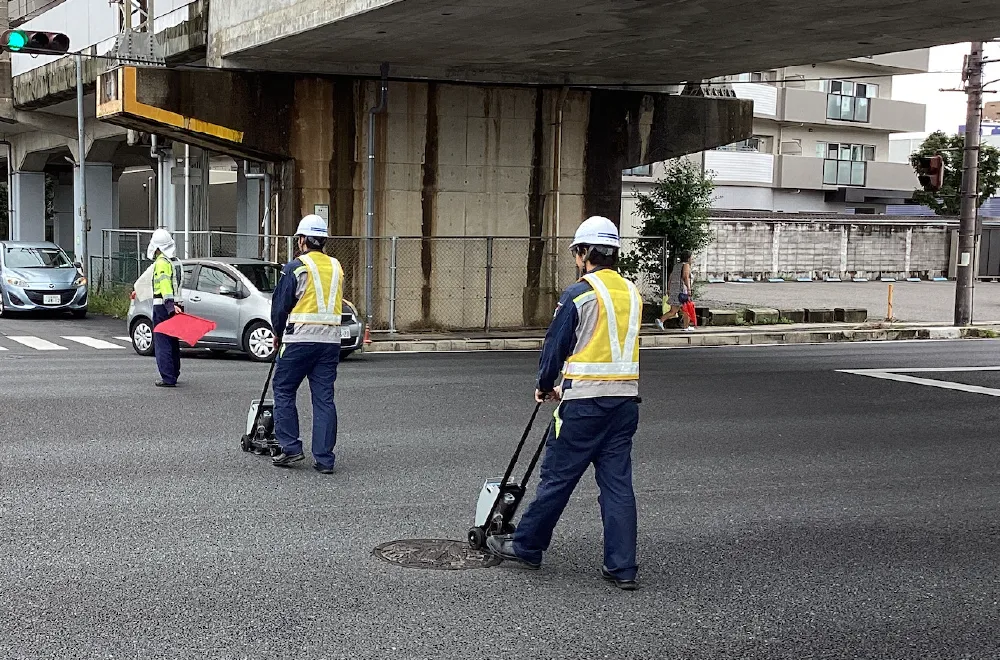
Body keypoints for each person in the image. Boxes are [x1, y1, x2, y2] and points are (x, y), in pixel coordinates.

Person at [487, 215, 642, 590]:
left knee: (557, 479)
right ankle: (622, 568)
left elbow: (556, 345)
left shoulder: (580, 293)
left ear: (586, 252)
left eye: (577, 252)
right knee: (618, 485)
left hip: (584, 404)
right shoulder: (633, 293)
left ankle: (526, 546)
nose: (576, 258)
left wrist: (544, 385)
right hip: (624, 403)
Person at [269, 215, 345, 474]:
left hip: (300, 339)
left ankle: (291, 447)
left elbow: (280, 306)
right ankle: (324, 459)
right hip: (331, 342)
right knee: (324, 399)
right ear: (323, 240)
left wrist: (277, 332)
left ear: (301, 240)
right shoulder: (337, 267)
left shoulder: (296, 267)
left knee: (284, 389)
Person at [148, 228, 183, 388]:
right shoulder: (173, 261)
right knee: (173, 341)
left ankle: (168, 377)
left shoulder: (161, 263)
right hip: (174, 306)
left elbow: (164, 285)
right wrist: (175, 306)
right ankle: (174, 372)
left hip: (162, 307)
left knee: (163, 343)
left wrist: (169, 306)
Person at [657, 250, 694, 332]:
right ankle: (686, 327)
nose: (692, 258)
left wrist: (669, 288)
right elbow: (685, 277)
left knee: (673, 311)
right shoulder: (686, 265)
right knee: (687, 309)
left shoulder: (676, 266)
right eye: (691, 257)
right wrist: (688, 288)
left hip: (674, 290)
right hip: (682, 290)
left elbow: (670, 278)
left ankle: (661, 320)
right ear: (688, 258)